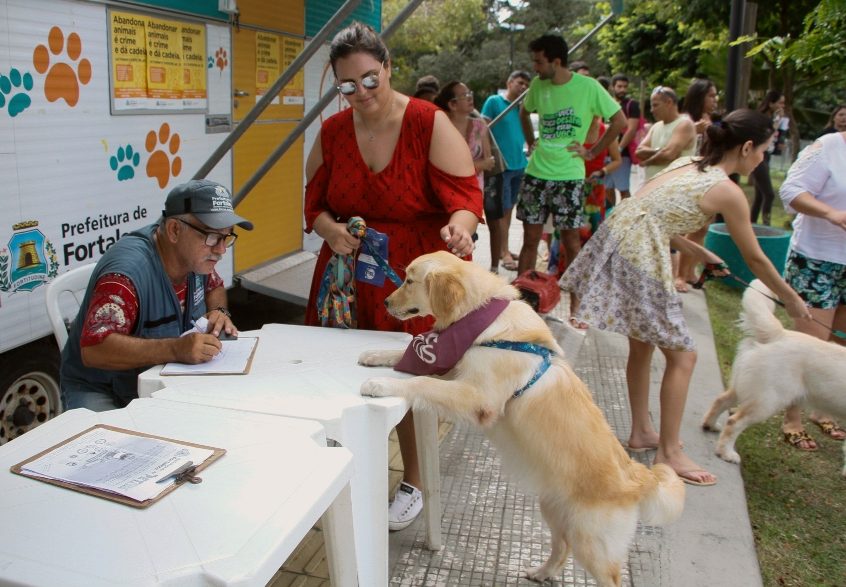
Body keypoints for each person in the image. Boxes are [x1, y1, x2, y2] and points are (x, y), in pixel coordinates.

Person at [559, 109, 812, 486]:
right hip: (638, 253)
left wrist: (700, 253)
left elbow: (648, 213)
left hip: (620, 239)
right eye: (763, 150)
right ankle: (670, 451)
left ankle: (643, 431)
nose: (762, 158)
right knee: (684, 356)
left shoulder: (689, 162)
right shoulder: (727, 190)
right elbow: (756, 257)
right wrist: (790, 299)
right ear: (745, 147)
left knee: (643, 346)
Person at [303, 22, 482, 531]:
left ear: (387, 68)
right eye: (345, 86)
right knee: (340, 374)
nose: (359, 94)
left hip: (408, 275)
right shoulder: (333, 132)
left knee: (410, 378)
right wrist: (331, 230)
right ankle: (340, 472)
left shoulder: (428, 122)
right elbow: (313, 207)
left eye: (369, 80)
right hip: (344, 275)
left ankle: (416, 482)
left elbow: (466, 198)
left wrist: (460, 230)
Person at [60, 179, 251, 411]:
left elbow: (215, 286)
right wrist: (175, 349)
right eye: (212, 237)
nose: (221, 250)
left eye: (227, 237)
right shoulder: (126, 275)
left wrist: (219, 312)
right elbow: (95, 349)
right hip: (100, 387)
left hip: (156, 380)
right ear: (174, 230)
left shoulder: (195, 259)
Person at [516, 33, 626, 323]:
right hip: (536, 174)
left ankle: (578, 310)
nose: (535, 69)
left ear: (556, 61)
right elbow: (523, 112)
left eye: (539, 62)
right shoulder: (539, 86)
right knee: (530, 241)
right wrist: (531, 142)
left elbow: (619, 122)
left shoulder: (588, 87)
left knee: (572, 241)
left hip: (569, 177)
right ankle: (518, 305)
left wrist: (592, 153)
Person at [778, 128, 846, 450]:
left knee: (839, 342)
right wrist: (830, 213)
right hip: (817, 259)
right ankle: (792, 418)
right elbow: (790, 191)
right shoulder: (828, 147)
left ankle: (822, 407)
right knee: (809, 345)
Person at [636, 85, 697, 293]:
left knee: (668, 240)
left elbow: (671, 154)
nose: (652, 110)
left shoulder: (685, 124)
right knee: (653, 239)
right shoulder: (656, 127)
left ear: (670, 102)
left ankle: (668, 286)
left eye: (655, 105)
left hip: (673, 192)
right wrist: (657, 153)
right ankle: (655, 286)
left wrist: (650, 157)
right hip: (653, 191)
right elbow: (639, 150)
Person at [481, 70, 531, 272]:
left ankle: (505, 249)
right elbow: (483, 128)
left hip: (519, 164)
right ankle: (504, 252)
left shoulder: (521, 107)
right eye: (520, 82)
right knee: (501, 213)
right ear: (509, 83)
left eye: (526, 84)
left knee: (509, 210)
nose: (523, 87)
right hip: (502, 166)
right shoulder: (494, 101)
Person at [677, 78, 719, 286]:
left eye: (715, 95)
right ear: (699, 97)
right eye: (711, 95)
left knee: (702, 228)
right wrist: (696, 130)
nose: (715, 99)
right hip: (688, 179)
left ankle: (691, 270)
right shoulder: (686, 121)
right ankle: (679, 274)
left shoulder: (711, 120)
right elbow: (676, 146)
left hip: (707, 178)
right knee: (689, 228)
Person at [434, 81, 494, 191]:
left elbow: (489, 163)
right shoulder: (441, 128)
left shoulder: (480, 126)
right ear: (452, 104)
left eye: (470, 93)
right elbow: (446, 167)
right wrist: (478, 165)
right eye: (464, 95)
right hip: (449, 190)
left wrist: (468, 166)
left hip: (475, 190)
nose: (470, 97)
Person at [750, 90, 786, 225]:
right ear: (771, 103)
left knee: (760, 195)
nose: (782, 106)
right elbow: (766, 136)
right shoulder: (762, 118)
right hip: (758, 157)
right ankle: (766, 224)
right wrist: (777, 122)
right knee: (769, 194)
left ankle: (751, 224)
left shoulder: (773, 118)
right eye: (780, 103)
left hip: (767, 156)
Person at [605, 73, 642, 204]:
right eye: (619, 86)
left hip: (622, 155)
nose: (622, 90)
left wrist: (619, 149)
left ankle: (628, 218)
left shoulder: (632, 105)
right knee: (607, 189)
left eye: (625, 87)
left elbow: (631, 129)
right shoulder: (606, 103)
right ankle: (609, 219)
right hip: (604, 153)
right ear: (612, 87)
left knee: (623, 189)